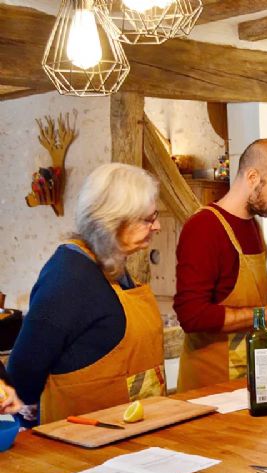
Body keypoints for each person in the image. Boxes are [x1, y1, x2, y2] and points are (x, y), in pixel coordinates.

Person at [8, 163, 165, 425]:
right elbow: (23, 374)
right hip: (82, 446)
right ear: (112, 222)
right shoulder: (67, 279)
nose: (157, 225)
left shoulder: (113, 267)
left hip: (132, 434)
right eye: (147, 219)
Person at [174, 139, 267, 392]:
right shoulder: (204, 228)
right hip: (213, 385)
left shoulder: (252, 224)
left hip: (256, 370)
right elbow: (192, 315)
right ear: (253, 176)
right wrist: (265, 313)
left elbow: (238, 287)